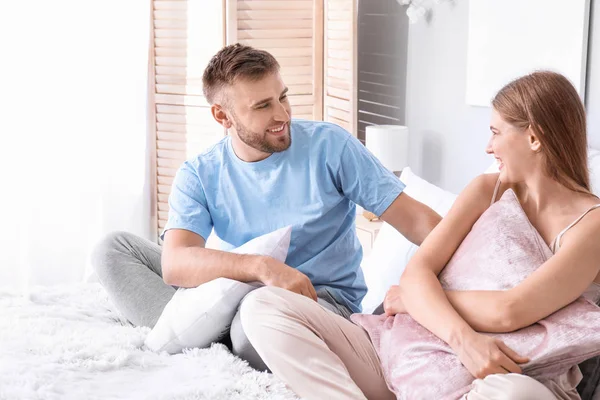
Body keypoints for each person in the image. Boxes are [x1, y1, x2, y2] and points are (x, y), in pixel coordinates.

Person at [240, 70, 600, 399]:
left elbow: (510, 311)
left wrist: (417, 300)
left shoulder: (591, 224)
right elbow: (415, 273)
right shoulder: (485, 190)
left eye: (495, 132)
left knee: (518, 395)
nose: (488, 148)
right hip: (402, 347)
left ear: (534, 138)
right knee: (262, 305)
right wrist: (462, 338)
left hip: (494, 373)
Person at [91, 43, 441, 372]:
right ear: (222, 116)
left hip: (320, 302)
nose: (282, 114)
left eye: (283, 97)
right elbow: (176, 263)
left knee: (250, 324)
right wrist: (261, 267)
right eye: (262, 106)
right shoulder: (200, 173)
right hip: (235, 291)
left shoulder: (330, 147)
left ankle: (204, 338)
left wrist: (482, 261)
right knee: (113, 249)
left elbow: (420, 222)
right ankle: (213, 334)